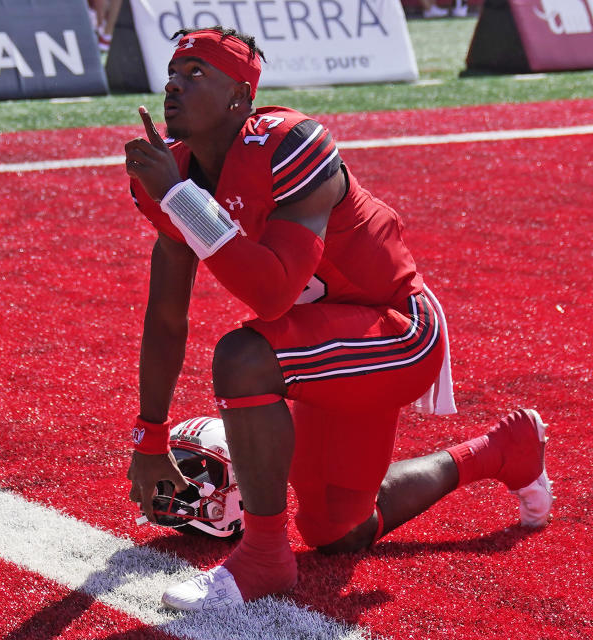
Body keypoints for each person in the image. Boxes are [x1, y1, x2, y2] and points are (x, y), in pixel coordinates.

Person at [124, 26, 553, 611]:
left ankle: (263, 559)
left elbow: (273, 295)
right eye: (172, 74)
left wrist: (181, 198)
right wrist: (149, 436)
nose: (174, 85)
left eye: (195, 74)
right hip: (321, 346)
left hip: (396, 331)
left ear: (239, 97)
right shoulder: (171, 173)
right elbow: (167, 317)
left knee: (244, 357)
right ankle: (501, 451)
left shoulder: (291, 145)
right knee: (336, 531)